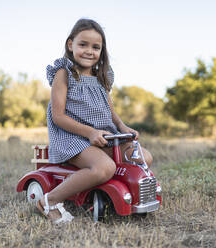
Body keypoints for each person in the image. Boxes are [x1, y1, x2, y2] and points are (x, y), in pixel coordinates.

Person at [36, 18, 153, 223]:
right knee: (104, 168)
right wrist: (90, 132)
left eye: (96, 47)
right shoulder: (63, 74)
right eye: (83, 45)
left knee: (143, 157)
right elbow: (58, 116)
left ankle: (107, 191)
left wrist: (122, 126)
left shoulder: (102, 77)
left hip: (105, 137)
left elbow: (110, 112)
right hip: (75, 138)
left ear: (102, 50)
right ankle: (49, 200)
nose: (89, 51)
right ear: (70, 45)